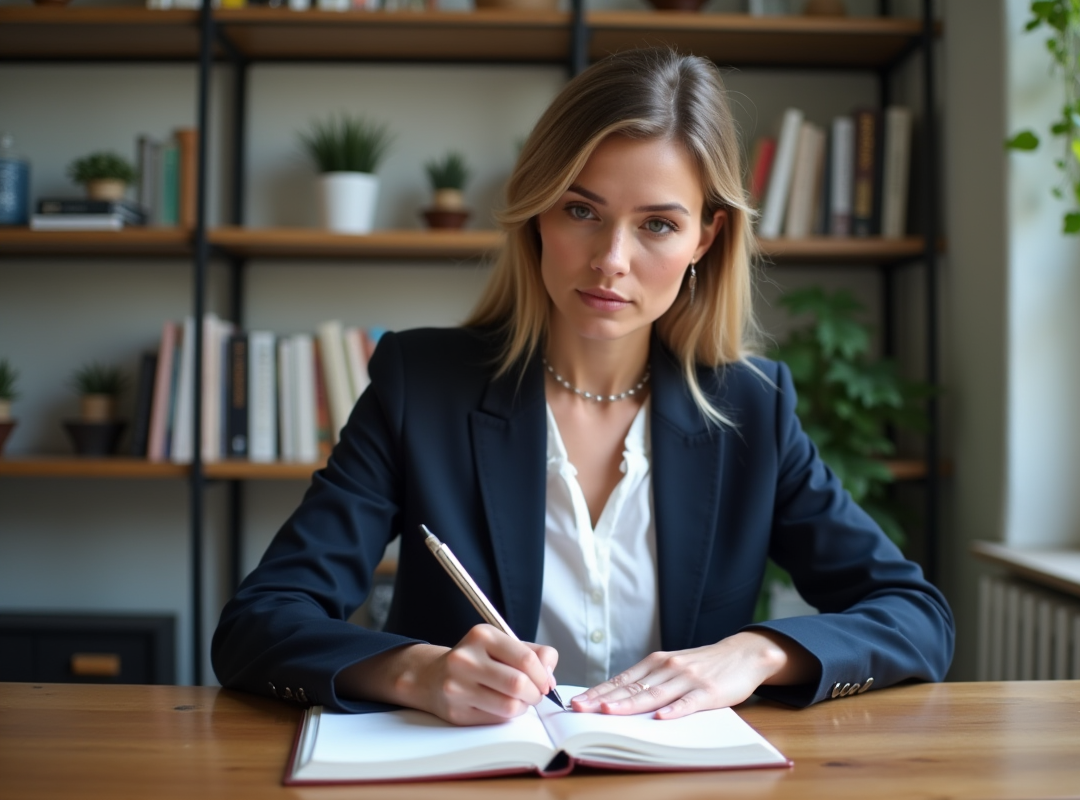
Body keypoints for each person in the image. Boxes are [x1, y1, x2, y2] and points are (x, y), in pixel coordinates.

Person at [211, 46, 954, 725]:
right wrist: (416, 672)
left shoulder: (752, 408)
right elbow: (260, 622)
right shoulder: (421, 387)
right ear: (538, 214)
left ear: (706, 238)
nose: (610, 260)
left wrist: (756, 654)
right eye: (581, 211)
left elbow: (916, 615)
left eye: (658, 225)